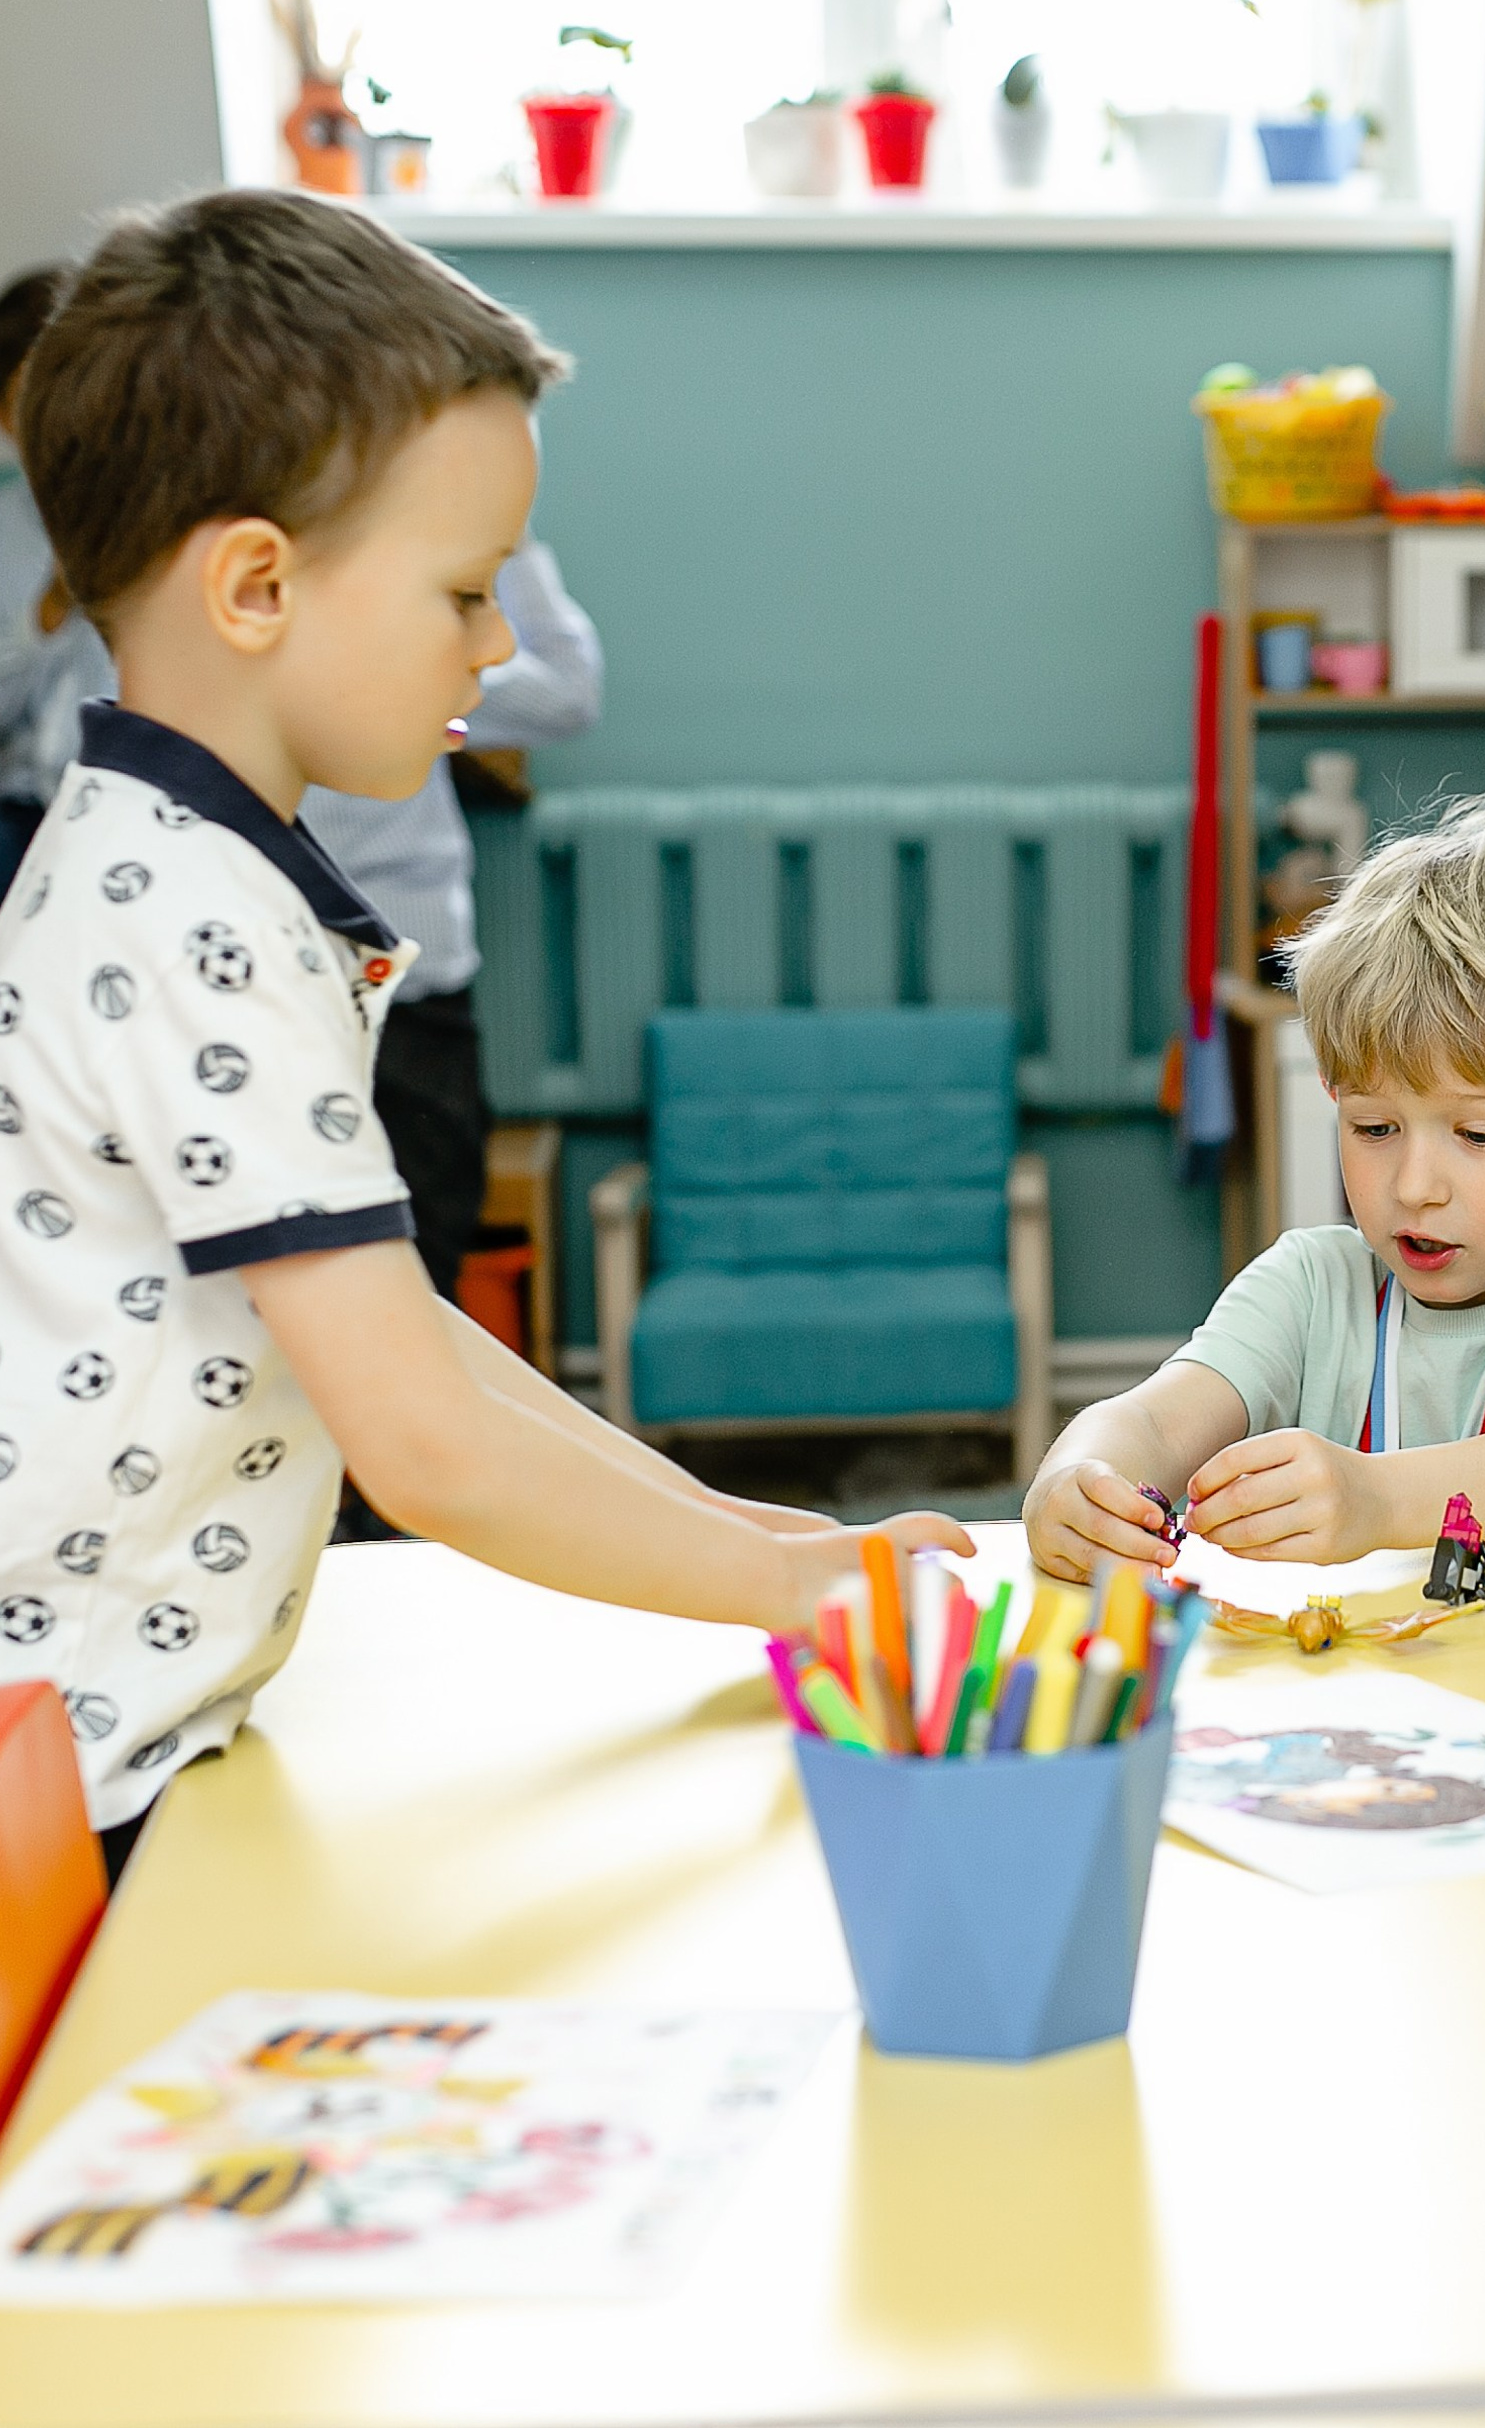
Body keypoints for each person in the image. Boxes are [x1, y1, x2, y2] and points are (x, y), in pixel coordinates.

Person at [0, 187, 960, 1854]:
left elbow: (397, 1330)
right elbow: (425, 1449)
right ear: (253, 587)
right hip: (76, 1787)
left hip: (132, 1740)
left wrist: (739, 1530)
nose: (503, 643)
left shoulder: (176, 865)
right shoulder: (194, 928)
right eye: (464, 591)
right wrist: (778, 1596)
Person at [1024, 800, 1485, 1583]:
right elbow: (1154, 1419)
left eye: (1478, 1136)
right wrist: (1074, 1484)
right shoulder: (1310, 1285)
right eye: (1374, 1128)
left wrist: (1378, 1499)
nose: (1414, 1187)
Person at [300, 546, 599, 1302]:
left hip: (411, 982)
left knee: (424, 1253)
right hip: (276, 996)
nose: (491, 642)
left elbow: (565, 696)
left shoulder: (412, 640)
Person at [0, 265, 114, 890]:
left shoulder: (159, 510)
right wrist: (47, 611)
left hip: (130, 799)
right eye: (28, 393)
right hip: (21, 812)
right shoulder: (6, 529)